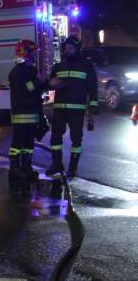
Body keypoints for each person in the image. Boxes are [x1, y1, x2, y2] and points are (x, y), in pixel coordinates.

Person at [45, 36, 99, 178]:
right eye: (66, 48)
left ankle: (72, 168)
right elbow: (50, 83)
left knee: (76, 138)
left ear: (77, 49)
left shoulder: (86, 66)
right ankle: (56, 164)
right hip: (59, 109)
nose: (67, 50)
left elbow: (92, 87)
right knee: (55, 137)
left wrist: (93, 105)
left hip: (77, 109)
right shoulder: (58, 67)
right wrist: (50, 84)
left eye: (70, 48)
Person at [8, 40, 45, 181]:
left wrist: (48, 84)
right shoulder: (17, 72)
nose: (34, 56)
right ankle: (14, 168)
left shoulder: (31, 70)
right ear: (25, 53)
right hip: (21, 115)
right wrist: (38, 81)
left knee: (29, 145)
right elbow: (24, 89)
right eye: (33, 53)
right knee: (17, 144)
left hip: (32, 114)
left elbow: (37, 89)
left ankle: (26, 166)